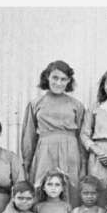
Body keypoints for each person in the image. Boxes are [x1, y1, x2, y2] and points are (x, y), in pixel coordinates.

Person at [22, 60, 87, 204]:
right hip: (44, 151)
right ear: (47, 78)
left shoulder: (76, 105)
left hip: (70, 152)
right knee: (42, 188)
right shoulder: (35, 103)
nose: (59, 83)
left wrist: (83, 164)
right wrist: (27, 162)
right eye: (55, 78)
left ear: (69, 80)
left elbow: (83, 137)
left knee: (70, 190)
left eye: (64, 79)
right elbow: (29, 135)